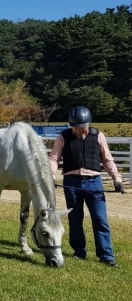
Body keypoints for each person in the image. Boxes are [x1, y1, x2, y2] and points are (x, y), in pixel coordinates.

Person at [49, 106, 124, 267]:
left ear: (88, 124)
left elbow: (107, 159)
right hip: (72, 183)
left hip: (94, 183)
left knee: (100, 219)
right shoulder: (63, 137)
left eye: (81, 127)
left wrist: (116, 179)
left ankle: (107, 257)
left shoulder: (98, 135)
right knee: (75, 219)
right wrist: (51, 176)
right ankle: (79, 252)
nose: (78, 130)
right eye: (75, 127)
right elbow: (54, 158)